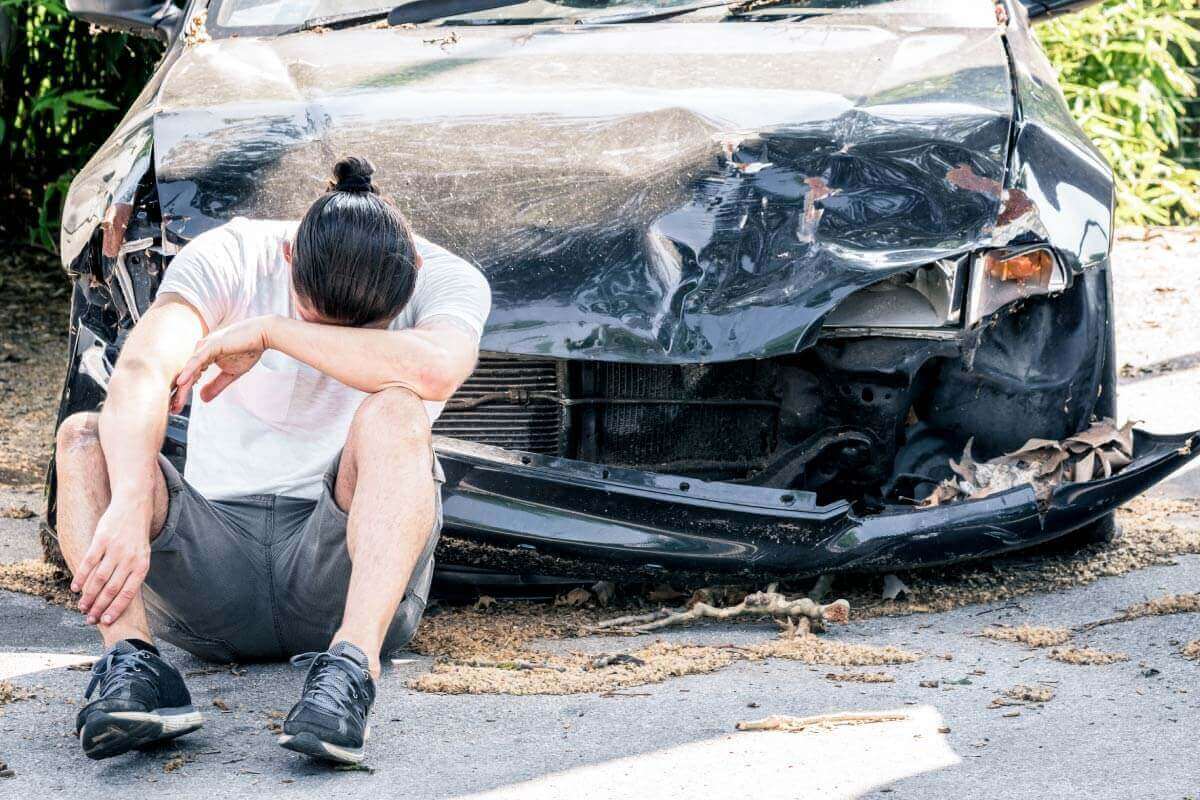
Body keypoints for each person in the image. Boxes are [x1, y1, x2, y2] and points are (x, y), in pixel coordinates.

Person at [52, 156, 491, 764]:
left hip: (339, 571)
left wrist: (274, 332)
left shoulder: (447, 276)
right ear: (289, 258)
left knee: (397, 409)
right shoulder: (233, 254)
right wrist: (129, 500)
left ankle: (348, 677)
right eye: (315, 318)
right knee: (84, 437)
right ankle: (134, 667)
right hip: (212, 570)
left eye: (367, 332)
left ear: (411, 270)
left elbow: (438, 369)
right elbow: (144, 369)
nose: (335, 344)